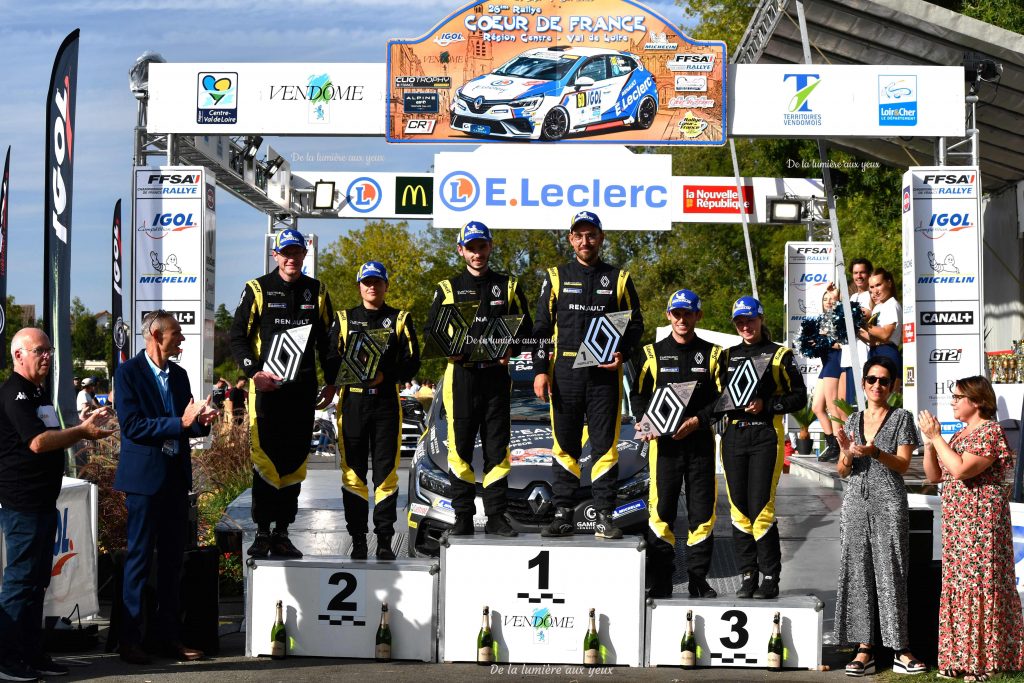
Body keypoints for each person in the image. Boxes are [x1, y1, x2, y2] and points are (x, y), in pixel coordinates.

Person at [0, 329, 114, 682]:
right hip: (23, 503)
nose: (47, 356)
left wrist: (81, 429)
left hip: (43, 501)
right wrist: (81, 431)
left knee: (37, 584)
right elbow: (37, 442)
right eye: (40, 351)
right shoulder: (15, 393)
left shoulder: (38, 392)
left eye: (50, 350)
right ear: (19, 355)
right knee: (20, 583)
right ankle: (7, 660)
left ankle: (32, 653)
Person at [113, 310, 219, 665]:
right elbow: (133, 427)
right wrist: (180, 421)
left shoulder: (180, 375)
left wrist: (201, 424)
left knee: (174, 563)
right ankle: (131, 641)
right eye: (176, 334)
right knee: (139, 561)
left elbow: (185, 426)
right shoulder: (128, 374)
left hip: (175, 481)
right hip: (144, 483)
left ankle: (169, 638)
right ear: (156, 335)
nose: (183, 340)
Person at [533, 211, 643, 540]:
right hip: (564, 373)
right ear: (570, 239)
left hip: (603, 375)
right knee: (564, 444)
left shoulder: (619, 278)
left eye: (591, 235)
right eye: (579, 235)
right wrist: (540, 371)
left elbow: (636, 325)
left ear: (601, 237)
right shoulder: (555, 276)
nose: (585, 241)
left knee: (604, 446)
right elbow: (540, 329)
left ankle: (605, 515)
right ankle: (563, 513)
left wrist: (621, 352)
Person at [230, 228, 339, 559]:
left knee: (294, 462)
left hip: (302, 390)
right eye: (285, 253)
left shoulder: (317, 291)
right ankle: (262, 532)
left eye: (297, 253)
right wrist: (254, 372)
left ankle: (282, 532)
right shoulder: (257, 289)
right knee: (266, 461)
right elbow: (237, 337)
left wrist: (332, 381)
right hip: (267, 391)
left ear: (305, 254)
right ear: (275, 255)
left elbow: (329, 343)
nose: (292, 259)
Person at [425, 221, 532, 537]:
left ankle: (497, 516)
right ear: (461, 250)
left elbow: (526, 329)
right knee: (459, 449)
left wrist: (510, 347)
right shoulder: (447, 288)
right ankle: (463, 517)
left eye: (481, 246)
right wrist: (452, 350)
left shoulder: (508, 285)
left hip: (497, 376)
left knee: (497, 449)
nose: (477, 253)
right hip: (462, 377)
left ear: (490, 247)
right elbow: (432, 332)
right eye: (470, 248)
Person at [920, 377, 1024, 681]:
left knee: (980, 587)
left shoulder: (990, 432)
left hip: (981, 525)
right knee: (960, 587)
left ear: (976, 401)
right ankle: (958, 659)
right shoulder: (961, 434)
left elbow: (962, 470)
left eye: (957, 397)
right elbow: (935, 475)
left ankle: (983, 661)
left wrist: (937, 438)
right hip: (958, 526)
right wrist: (930, 444)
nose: (952, 401)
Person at [833, 356, 927, 676]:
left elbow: (903, 465)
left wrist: (875, 452)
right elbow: (842, 470)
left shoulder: (902, 418)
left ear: (893, 386)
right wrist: (846, 453)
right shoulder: (851, 421)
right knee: (858, 574)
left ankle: (900, 649)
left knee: (891, 573)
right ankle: (864, 649)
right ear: (863, 383)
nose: (877, 385)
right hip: (856, 504)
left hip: (889, 502)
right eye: (871, 379)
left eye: (884, 381)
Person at [630, 289, 723, 599]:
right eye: (677, 313)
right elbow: (639, 395)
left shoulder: (713, 354)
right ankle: (662, 581)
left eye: (688, 313)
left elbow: (723, 399)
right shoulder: (651, 353)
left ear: (698, 315)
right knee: (661, 513)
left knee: (702, 513)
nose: (682, 319)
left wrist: (698, 420)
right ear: (668, 315)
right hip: (664, 447)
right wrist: (644, 421)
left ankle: (698, 579)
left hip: (700, 444)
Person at [717, 296, 806, 599]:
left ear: (761, 319)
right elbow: (713, 399)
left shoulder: (780, 354)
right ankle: (747, 575)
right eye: (740, 322)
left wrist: (766, 405)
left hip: (765, 436)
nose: (746, 326)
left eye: (750, 320)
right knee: (739, 511)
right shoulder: (726, 357)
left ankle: (770, 576)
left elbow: (799, 398)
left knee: (761, 510)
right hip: (733, 438)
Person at [337, 261, 420, 560]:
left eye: (378, 282)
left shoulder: (400, 319)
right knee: (353, 474)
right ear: (359, 285)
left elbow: (413, 361)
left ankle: (384, 538)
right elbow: (330, 359)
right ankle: (358, 538)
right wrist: (339, 378)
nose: (372, 287)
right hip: (353, 403)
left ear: (386, 285)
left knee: (386, 474)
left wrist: (388, 374)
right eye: (367, 282)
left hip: (386, 401)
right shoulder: (344, 319)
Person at [810, 284, 843, 462]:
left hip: (835, 362)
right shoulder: (820, 320)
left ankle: (839, 444)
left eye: (831, 298)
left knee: (833, 407)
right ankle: (832, 443)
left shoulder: (840, 318)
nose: (828, 301)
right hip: (826, 363)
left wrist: (825, 342)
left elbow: (842, 344)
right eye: (825, 299)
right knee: (817, 407)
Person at [839, 258, 874, 404]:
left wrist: (843, 312)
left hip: (862, 356)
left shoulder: (871, 295)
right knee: (849, 405)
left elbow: (866, 314)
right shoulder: (852, 296)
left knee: (862, 403)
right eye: (855, 273)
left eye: (862, 272)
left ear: (869, 274)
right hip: (848, 356)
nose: (859, 276)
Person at [856, 268, 901, 368]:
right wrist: (853, 329)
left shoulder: (892, 304)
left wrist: (861, 323)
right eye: (871, 287)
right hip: (873, 352)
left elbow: (885, 334)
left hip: (887, 353)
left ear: (889, 283)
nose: (875, 290)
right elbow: (872, 338)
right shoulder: (877, 307)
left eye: (878, 285)